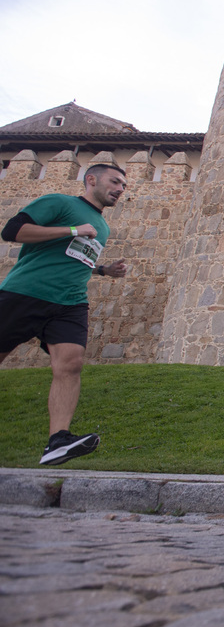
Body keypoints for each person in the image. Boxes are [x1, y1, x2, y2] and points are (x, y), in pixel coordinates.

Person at [1, 163, 129, 465]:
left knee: (71, 364)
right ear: (91, 180)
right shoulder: (59, 203)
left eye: (124, 186)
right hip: (26, 292)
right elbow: (12, 231)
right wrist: (72, 229)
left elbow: (74, 258)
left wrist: (104, 270)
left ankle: (58, 440)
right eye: (115, 182)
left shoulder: (103, 227)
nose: (120, 189)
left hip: (70, 302)